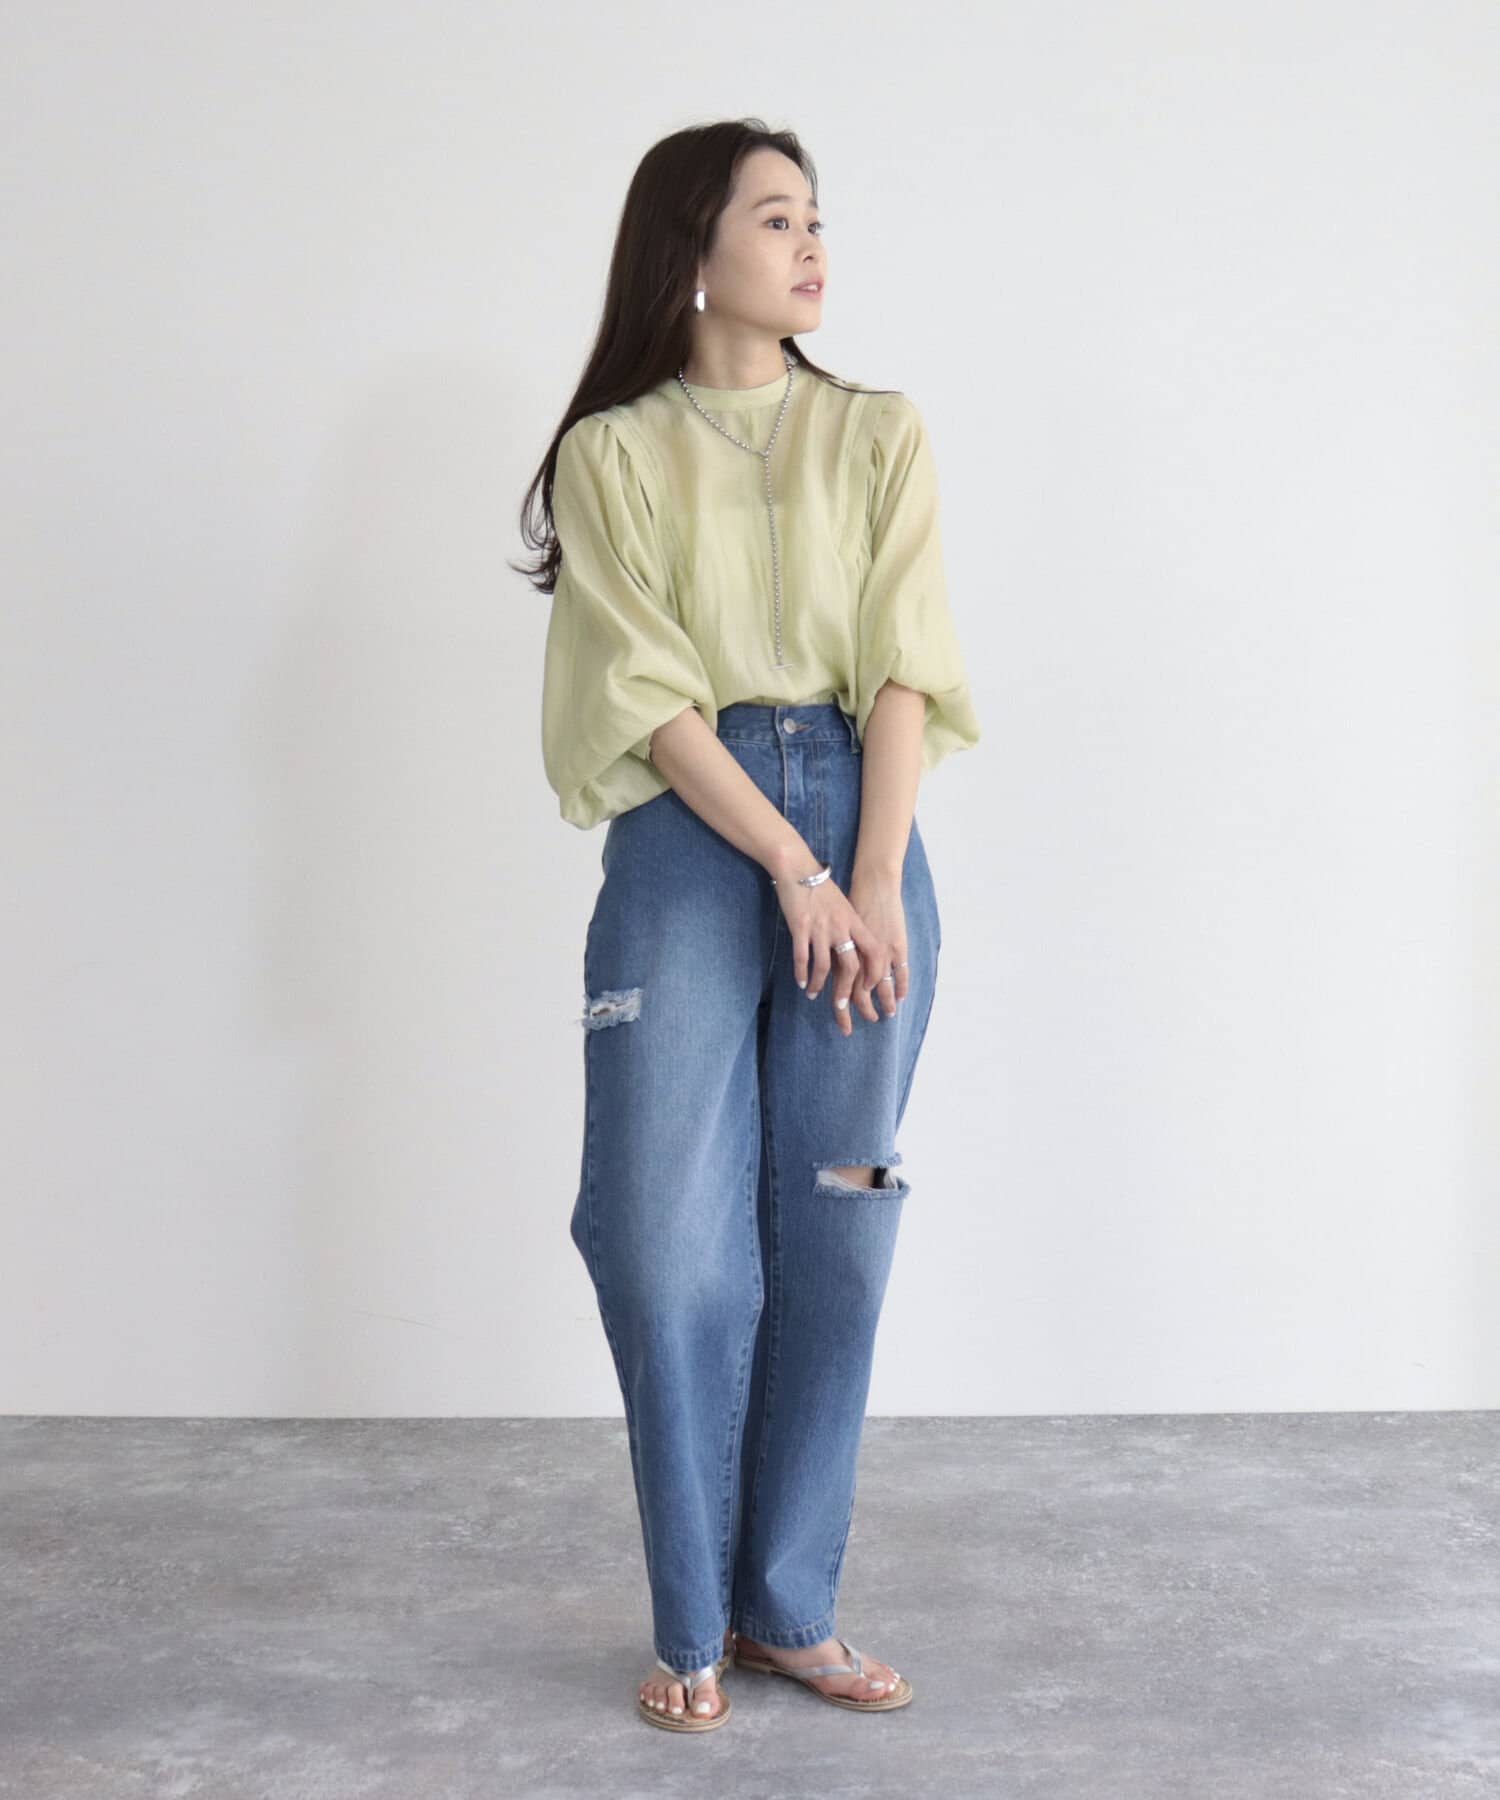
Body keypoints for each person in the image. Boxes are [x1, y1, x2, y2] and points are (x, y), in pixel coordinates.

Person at [514, 119, 980, 1732]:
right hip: (692, 837)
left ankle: (789, 1609)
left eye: (816, 218)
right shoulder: (613, 453)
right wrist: (790, 864)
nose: (811, 244)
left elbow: (906, 662)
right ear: (692, 249)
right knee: (661, 1235)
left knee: (838, 1218)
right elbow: (645, 694)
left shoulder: (879, 432)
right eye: (775, 218)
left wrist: (870, 875)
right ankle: (689, 1615)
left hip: (868, 832)